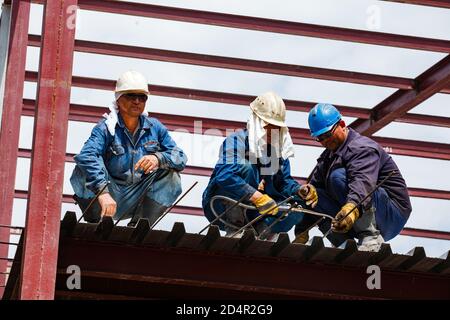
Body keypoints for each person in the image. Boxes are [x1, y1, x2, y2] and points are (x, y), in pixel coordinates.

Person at [70, 70, 187, 226]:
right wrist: (102, 192)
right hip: (106, 195)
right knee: (82, 169)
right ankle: (94, 219)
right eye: (131, 96)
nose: (137, 101)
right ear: (118, 99)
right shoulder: (105, 128)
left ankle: (140, 224)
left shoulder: (155, 128)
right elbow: (87, 156)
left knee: (171, 177)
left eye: (142, 97)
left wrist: (158, 158)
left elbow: (180, 157)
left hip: (137, 196)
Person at [295, 103, 412, 251]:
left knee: (337, 177)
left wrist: (351, 207)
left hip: (392, 214)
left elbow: (362, 182)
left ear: (342, 124)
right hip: (362, 208)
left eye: (327, 135)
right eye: (320, 138)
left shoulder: (361, 148)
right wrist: (301, 228)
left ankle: (370, 236)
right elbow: (313, 191)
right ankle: (343, 243)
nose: (325, 141)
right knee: (314, 194)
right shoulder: (327, 158)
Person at [202, 91, 305, 239]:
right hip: (222, 205)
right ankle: (236, 225)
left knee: (295, 209)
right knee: (246, 167)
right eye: (268, 126)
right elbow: (225, 176)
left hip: (258, 211)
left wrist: (299, 189)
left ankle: (264, 231)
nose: (272, 131)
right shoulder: (236, 141)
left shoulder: (278, 151)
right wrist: (256, 196)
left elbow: (283, 183)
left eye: (276, 127)